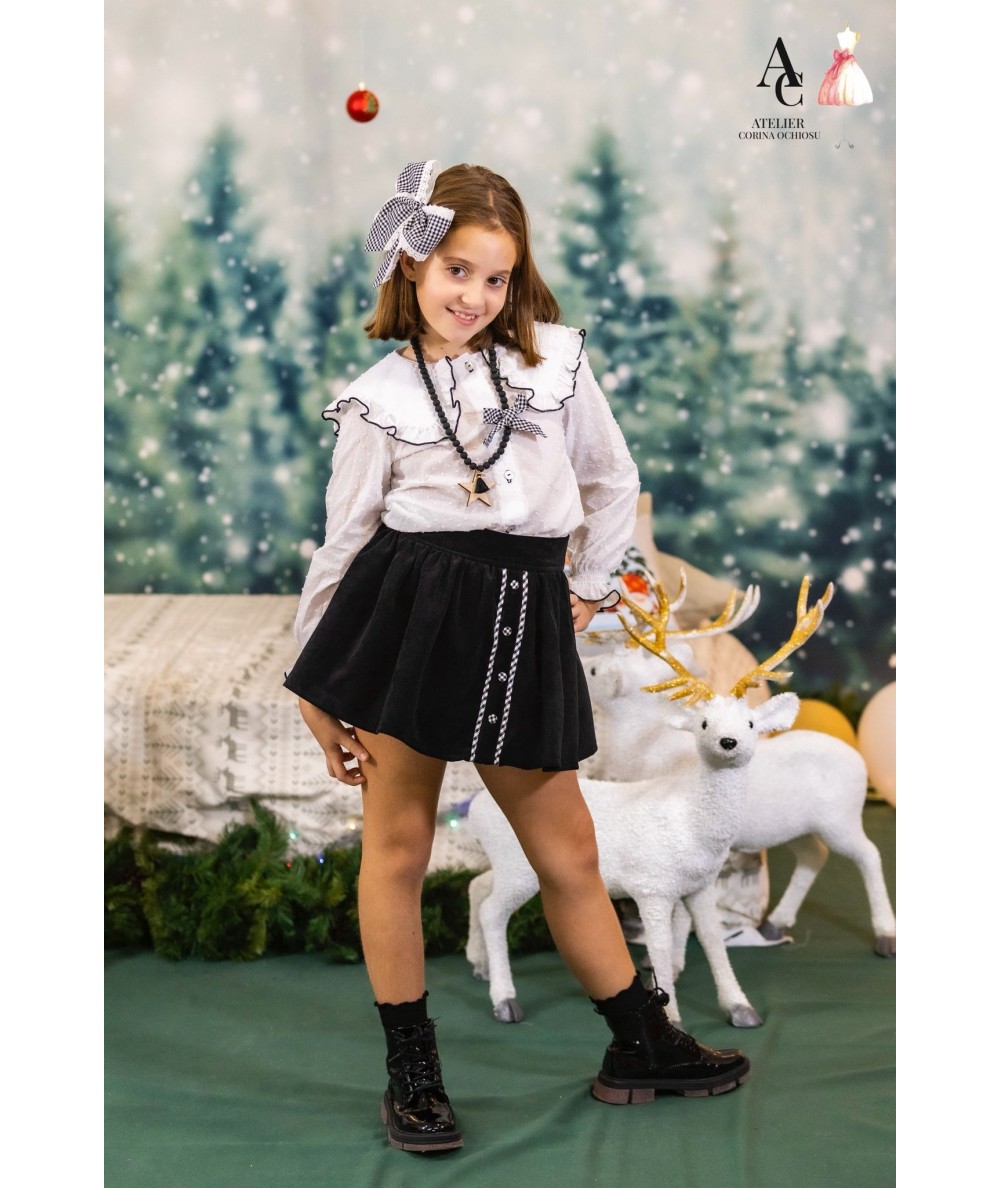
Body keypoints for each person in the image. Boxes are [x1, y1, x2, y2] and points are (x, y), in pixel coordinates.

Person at [285, 160, 750, 1154]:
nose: (474, 295)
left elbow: (610, 479)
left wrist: (588, 585)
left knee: (569, 851)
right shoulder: (377, 400)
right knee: (398, 849)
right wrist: (314, 683)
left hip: (524, 612)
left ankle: (641, 1044)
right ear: (414, 264)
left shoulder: (555, 363)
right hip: (408, 619)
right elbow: (344, 541)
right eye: (456, 270)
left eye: (495, 277)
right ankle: (414, 1074)